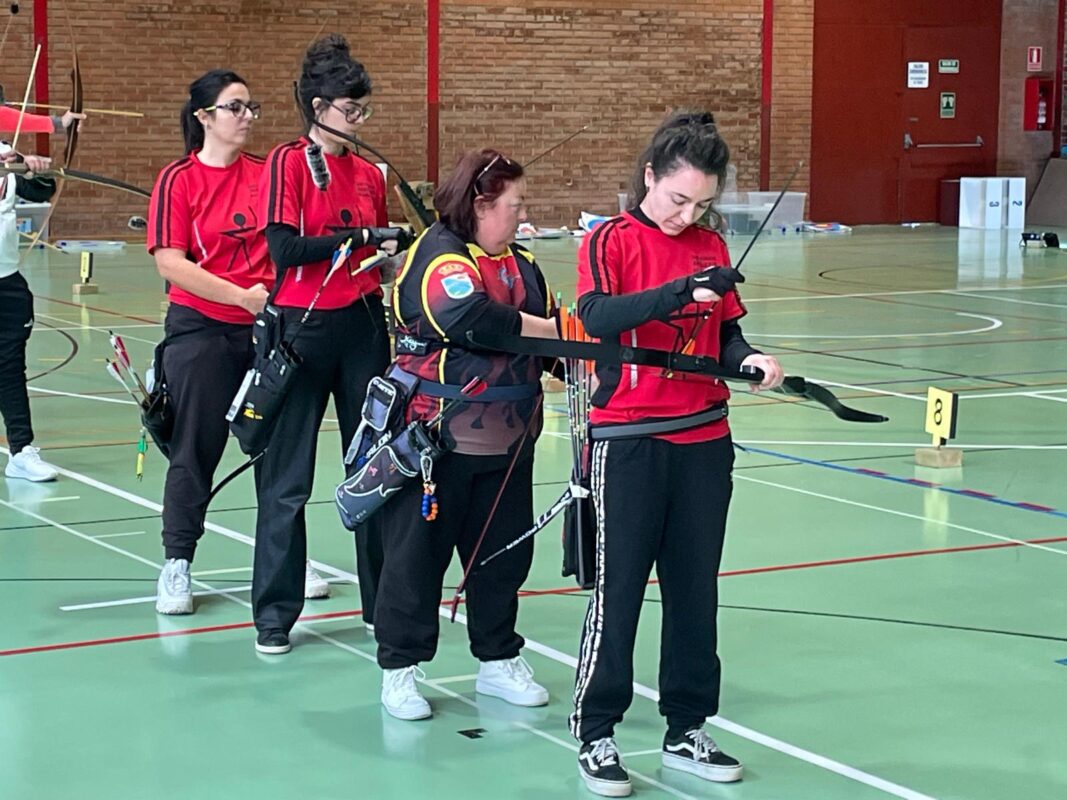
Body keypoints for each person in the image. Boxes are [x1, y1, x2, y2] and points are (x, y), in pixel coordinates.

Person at [569, 110, 784, 797]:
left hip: (703, 442)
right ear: (648, 178)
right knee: (619, 592)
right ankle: (597, 732)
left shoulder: (712, 248)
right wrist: (674, 292)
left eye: (702, 204)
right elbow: (596, 317)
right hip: (628, 442)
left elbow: (725, 338)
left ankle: (685, 726)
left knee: (694, 593)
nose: (686, 214)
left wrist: (750, 360)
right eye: (677, 198)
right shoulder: (609, 239)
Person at [373, 149, 558, 720]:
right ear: (480, 205)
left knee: (503, 555)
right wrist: (551, 331)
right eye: (512, 205)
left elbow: (556, 342)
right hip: (435, 441)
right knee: (416, 558)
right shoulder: (439, 256)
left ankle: (498, 657)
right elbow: (472, 318)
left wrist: (585, 351)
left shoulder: (522, 263)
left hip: (508, 444)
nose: (520, 217)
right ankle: (400, 670)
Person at [147, 70, 333, 615]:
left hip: (270, 327)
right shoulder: (178, 180)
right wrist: (239, 296)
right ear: (205, 117)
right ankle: (177, 561)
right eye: (235, 108)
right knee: (194, 448)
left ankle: (285, 563)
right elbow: (171, 262)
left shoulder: (268, 174)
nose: (247, 117)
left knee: (279, 454)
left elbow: (295, 239)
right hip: (202, 330)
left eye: (251, 107)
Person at [252, 35, 406, 655]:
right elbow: (284, 249)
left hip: (363, 326)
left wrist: (387, 254)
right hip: (301, 328)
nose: (359, 122)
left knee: (371, 467)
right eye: (351, 111)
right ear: (319, 108)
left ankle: (381, 603)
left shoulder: (369, 173)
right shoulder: (287, 164)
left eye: (364, 110)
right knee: (286, 481)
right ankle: (273, 614)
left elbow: (380, 254)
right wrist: (363, 236)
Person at [1, 105, 83, 482]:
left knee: (10, 370)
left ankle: (20, 451)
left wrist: (34, 165)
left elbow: (44, 189)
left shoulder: (7, 160)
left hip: (8, 285)